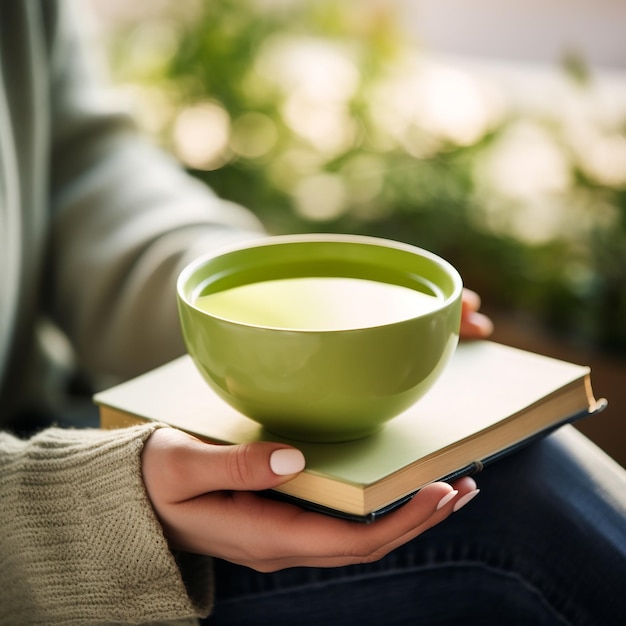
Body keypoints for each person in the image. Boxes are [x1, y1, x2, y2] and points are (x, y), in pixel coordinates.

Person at [0, 2, 625, 625]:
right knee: (519, 519)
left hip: (63, 426)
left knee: (525, 464)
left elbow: (80, 167)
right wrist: (65, 512)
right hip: (46, 513)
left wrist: (256, 297)